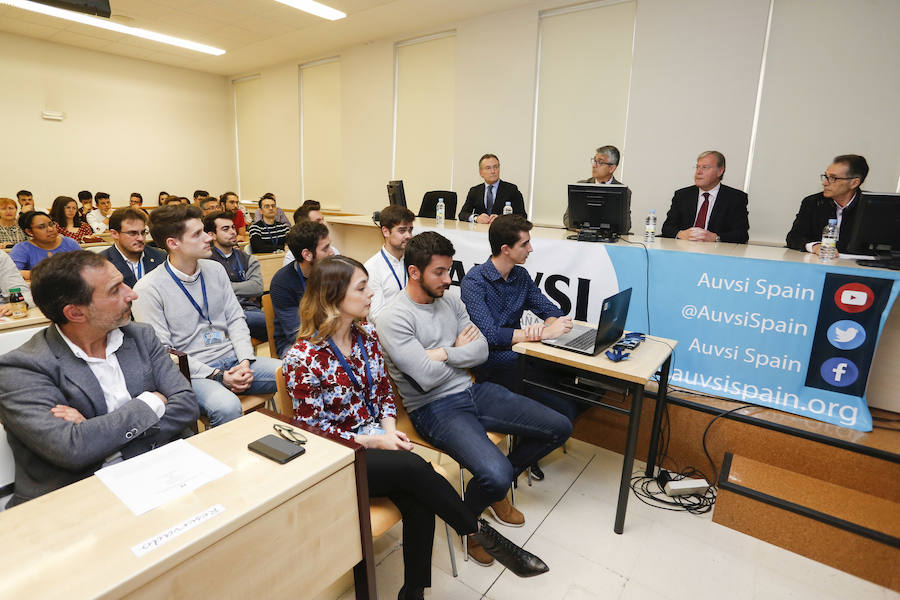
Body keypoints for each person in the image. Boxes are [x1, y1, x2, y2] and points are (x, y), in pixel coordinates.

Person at [283, 255, 549, 598]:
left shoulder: (365, 337)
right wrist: (374, 442)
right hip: (340, 456)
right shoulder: (302, 358)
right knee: (418, 470)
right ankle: (477, 531)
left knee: (419, 497)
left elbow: (383, 396)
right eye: (362, 288)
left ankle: (413, 593)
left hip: (379, 443)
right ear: (333, 296)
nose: (371, 295)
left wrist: (389, 429)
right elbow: (313, 433)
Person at [376, 232, 572, 562]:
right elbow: (424, 378)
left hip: (473, 390)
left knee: (560, 426)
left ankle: (488, 490)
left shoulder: (450, 300)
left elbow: (481, 351)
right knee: (495, 474)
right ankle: (469, 523)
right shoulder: (394, 317)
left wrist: (442, 354)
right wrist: (457, 349)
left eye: (449, 270)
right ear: (414, 272)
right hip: (433, 408)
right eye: (438, 272)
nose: (447, 279)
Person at [0, 251, 198, 508]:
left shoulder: (140, 336)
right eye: (115, 290)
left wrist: (94, 431)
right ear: (75, 313)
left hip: (160, 471)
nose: (132, 294)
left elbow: (187, 405)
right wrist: (151, 402)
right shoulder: (21, 368)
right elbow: (73, 450)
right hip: (75, 497)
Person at [132, 204, 281, 427]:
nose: (208, 238)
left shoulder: (215, 270)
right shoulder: (147, 288)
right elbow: (164, 352)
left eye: (205, 230)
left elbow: (235, 318)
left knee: (295, 372)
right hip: (192, 373)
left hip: (233, 359)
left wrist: (244, 361)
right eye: (197, 234)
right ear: (173, 243)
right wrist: (218, 376)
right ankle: (229, 459)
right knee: (227, 406)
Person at [461, 215, 578, 479]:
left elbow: (549, 309)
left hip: (522, 357)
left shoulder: (520, 276)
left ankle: (527, 447)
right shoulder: (475, 282)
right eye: (525, 244)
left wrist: (552, 323)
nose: (531, 249)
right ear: (506, 249)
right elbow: (489, 336)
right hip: (493, 365)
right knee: (566, 412)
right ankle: (510, 469)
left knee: (582, 388)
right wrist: (535, 334)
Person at [270, 221, 334, 357]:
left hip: (331, 335)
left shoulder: (333, 272)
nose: (332, 252)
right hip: (295, 344)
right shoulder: (282, 283)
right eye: (325, 248)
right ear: (307, 254)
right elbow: (297, 333)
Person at [786, 154, 869, 255]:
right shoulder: (813, 202)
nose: (825, 183)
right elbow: (793, 237)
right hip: (819, 263)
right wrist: (816, 246)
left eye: (833, 178)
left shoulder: (871, 207)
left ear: (854, 183)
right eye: (826, 176)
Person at [660, 151, 750, 243]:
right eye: (698, 167)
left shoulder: (735, 198)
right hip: (684, 249)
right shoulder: (682, 195)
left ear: (720, 171)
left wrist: (715, 237)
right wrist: (681, 234)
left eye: (705, 167)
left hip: (716, 253)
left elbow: (741, 234)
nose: (698, 172)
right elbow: (667, 228)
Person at [204, 210, 267, 341]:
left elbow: (257, 287)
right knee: (277, 322)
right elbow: (212, 292)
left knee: (277, 323)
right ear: (212, 235)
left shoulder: (248, 259)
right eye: (225, 229)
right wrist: (244, 290)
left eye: (233, 227)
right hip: (222, 315)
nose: (233, 232)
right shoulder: (205, 261)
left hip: (250, 311)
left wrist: (225, 287)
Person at [364, 204, 415, 320]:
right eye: (402, 231)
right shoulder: (372, 267)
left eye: (410, 230)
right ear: (386, 231)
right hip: (386, 331)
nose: (408, 235)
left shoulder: (412, 260)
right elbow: (376, 316)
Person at [564, 145, 628, 229]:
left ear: (612, 168)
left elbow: (626, 226)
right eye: (594, 161)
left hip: (608, 239)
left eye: (600, 162)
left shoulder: (622, 191)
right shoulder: (581, 186)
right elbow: (567, 219)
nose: (594, 165)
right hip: (583, 238)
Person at [101, 208, 166, 288]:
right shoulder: (100, 263)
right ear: (114, 234)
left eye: (143, 233)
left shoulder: (161, 258)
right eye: (133, 233)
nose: (141, 238)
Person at [10, 211, 81, 280]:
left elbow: (85, 267)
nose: (50, 229)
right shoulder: (22, 249)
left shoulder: (70, 243)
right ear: (29, 232)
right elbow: (12, 273)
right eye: (42, 227)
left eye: (51, 224)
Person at [458, 154, 527, 223]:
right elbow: (462, 214)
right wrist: (476, 218)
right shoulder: (474, 191)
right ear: (481, 173)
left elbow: (522, 216)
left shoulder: (512, 190)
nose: (493, 171)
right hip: (478, 231)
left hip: (502, 231)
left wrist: (501, 219)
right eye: (488, 168)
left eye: (495, 167)